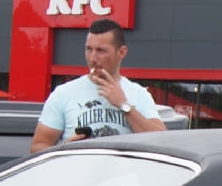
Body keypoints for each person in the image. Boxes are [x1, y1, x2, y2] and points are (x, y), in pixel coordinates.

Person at [29, 19, 165, 152]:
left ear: (121, 52)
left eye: (101, 51)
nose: (93, 58)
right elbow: (37, 148)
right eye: (89, 49)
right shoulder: (63, 93)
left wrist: (123, 105)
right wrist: (65, 149)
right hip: (79, 173)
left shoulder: (138, 93)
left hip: (124, 174)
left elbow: (160, 142)